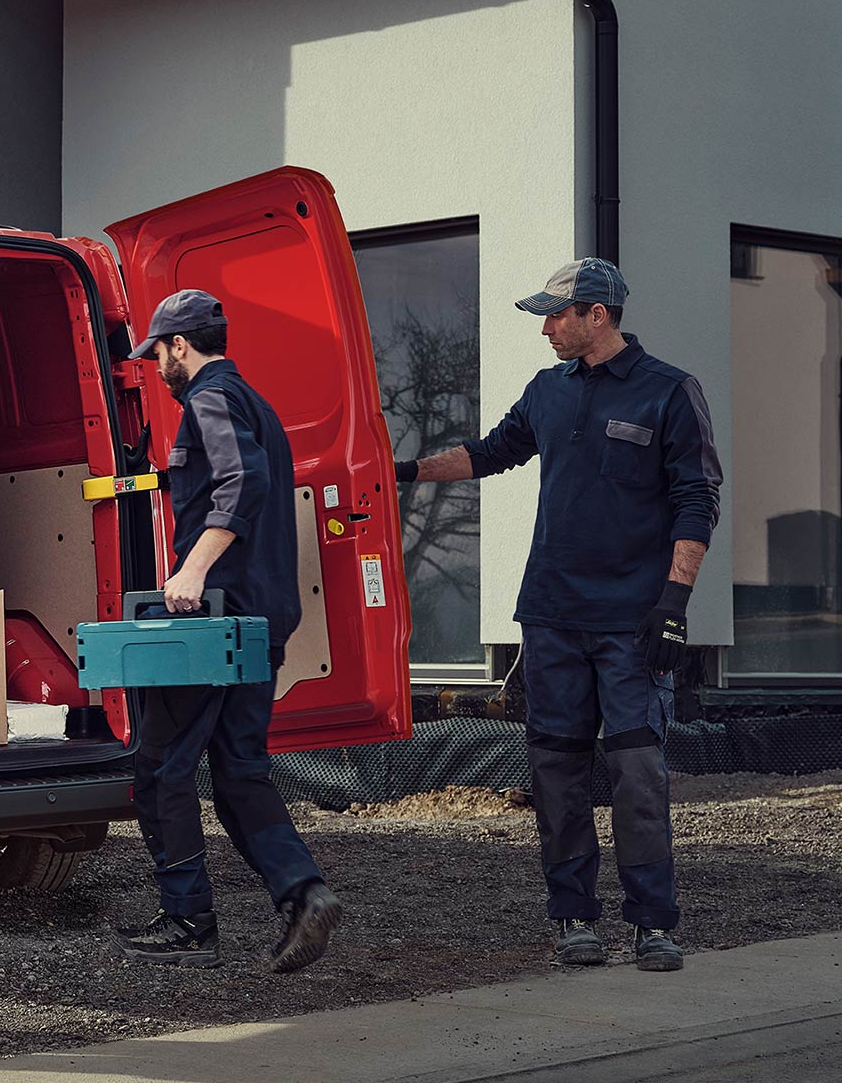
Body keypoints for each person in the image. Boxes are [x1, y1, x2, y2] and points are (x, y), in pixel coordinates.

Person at [397, 258, 720, 973]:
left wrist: (673, 603)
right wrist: (400, 470)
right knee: (558, 773)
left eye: (556, 314)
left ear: (596, 314)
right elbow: (487, 454)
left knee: (638, 772)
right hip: (551, 617)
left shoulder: (668, 391)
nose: (545, 327)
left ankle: (653, 923)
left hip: (632, 624)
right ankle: (574, 915)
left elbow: (698, 498)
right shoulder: (547, 392)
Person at [114, 288, 342, 973]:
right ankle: (305, 893)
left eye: (156, 352)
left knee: (160, 769)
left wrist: (191, 568)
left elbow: (242, 482)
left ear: (179, 345)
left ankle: (188, 923)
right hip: (260, 622)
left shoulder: (209, 399)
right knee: (240, 771)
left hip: (212, 623)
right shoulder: (257, 404)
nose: (155, 366)